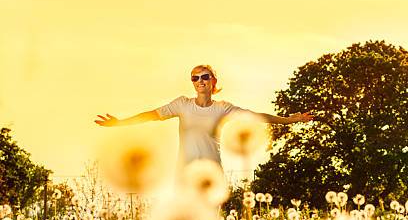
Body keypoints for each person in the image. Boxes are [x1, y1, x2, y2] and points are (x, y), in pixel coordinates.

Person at [95, 64, 313, 168]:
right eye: (194, 77)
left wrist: (289, 120)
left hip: (212, 174)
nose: (199, 80)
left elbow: (256, 116)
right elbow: (151, 115)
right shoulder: (181, 105)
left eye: (204, 77)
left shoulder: (223, 109)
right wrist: (120, 123)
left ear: (213, 81)